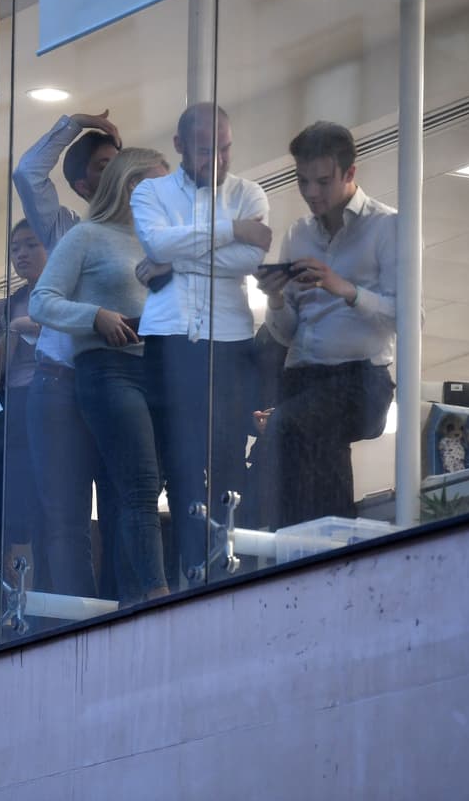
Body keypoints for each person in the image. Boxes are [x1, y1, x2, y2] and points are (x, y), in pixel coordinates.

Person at [130, 103, 272, 584]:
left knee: (230, 453)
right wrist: (229, 230)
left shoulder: (250, 192)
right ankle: (192, 569)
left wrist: (178, 257)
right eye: (207, 150)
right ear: (179, 146)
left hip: (230, 338)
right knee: (181, 458)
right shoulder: (151, 191)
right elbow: (156, 246)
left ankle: (235, 564)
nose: (220, 159)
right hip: (170, 338)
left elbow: (250, 259)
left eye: (226, 147)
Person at [30, 147, 173, 605]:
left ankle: (132, 594)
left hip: (157, 368)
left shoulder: (161, 244)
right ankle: (154, 592)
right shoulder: (87, 236)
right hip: (108, 367)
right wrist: (95, 317)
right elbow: (41, 301)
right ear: (130, 187)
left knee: (146, 487)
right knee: (140, 486)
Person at [255, 120, 398, 529]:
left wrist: (344, 288)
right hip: (304, 379)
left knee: (288, 430)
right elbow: (285, 333)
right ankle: (317, 548)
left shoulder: (387, 227)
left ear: (350, 174)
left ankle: (287, 548)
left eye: (323, 181)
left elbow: (409, 317)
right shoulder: (298, 233)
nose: (311, 193)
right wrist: (276, 297)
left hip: (361, 380)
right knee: (308, 454)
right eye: (302, 181)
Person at [11, 111, 127, 599]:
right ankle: (81, 621)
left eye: (118, 164)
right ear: (82, 184)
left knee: (126, 506)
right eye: (103, 165)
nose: (115, 172)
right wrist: (74, 123)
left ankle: (122, 612)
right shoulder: (64, 229)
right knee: (66, 518)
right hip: (60, 385)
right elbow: (27, 173)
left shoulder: (142, 232)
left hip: (120, 381)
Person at [0, 219, 48, 626]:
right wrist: (17, 332)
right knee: (10, 521)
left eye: (30, 245)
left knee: (52, 519)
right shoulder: (0, 310)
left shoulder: (68, 297)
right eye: (14, 247)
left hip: (59, 408)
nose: (21, 254)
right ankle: (12, 611)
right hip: (15, 412)